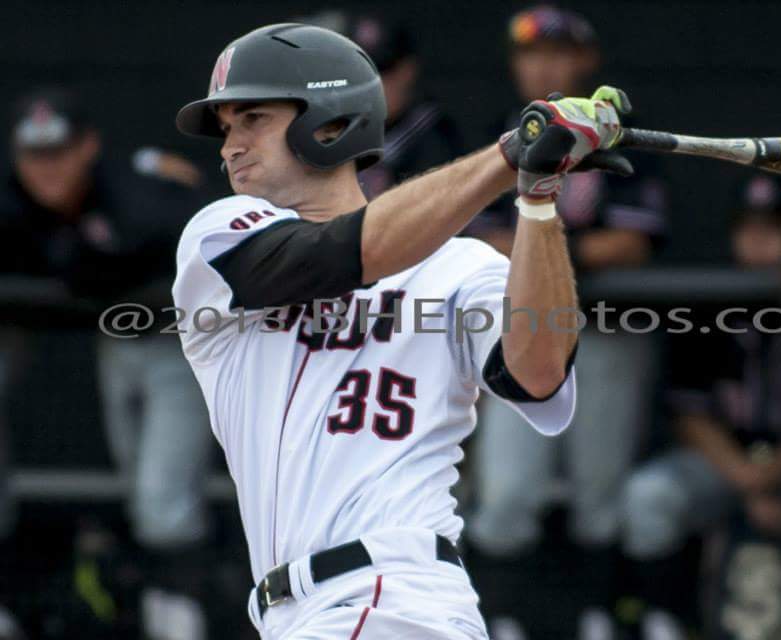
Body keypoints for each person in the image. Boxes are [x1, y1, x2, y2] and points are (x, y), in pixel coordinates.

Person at [172, 22, 632, 639]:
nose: (231, 146)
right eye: (227, 128)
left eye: (253, 119)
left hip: (390, 596)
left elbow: (538, 375)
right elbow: (346, 252)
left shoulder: (461, 267)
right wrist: (507, 157)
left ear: (332, 123)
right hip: (301, 611)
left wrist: (538, 196)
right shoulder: (220, 233)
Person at [462, 7, 667, 639]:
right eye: (531, 53)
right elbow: (474, 238)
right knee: (506, 493)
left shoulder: (619, 135)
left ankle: (599, 619)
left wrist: (535, 245)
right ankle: (498, 620)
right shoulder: (498, 138)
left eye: (559, 51)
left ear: (587, 59)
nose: (544, 65)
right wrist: (568, 247)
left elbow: (631, 243)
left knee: (601, 494)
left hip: (604, 331)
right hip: (518, 334)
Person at [0, 88, 214, 638]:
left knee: (162, 499)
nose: (48, 169)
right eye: (35, 156)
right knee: (138, 487)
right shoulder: (15, 204)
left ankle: (187, 610)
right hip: (114, 343)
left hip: (178, 341)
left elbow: (221, 257)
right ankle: (160, 601)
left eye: (59, 153)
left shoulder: (139, 197)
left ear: (88, 146)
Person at [621, 175, 781, 639]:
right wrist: (748, 479)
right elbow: (689, 415)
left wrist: (776, 476)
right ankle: (667, 622)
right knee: (649, 496)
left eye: (773, 228)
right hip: (725, 465)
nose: (758, 240)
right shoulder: (709, 303)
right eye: (748, 228)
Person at [298, 10, 465, 198]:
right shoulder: (331, 131)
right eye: (357, 71)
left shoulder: (434, 140)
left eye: (380, 70)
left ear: (407, 70)